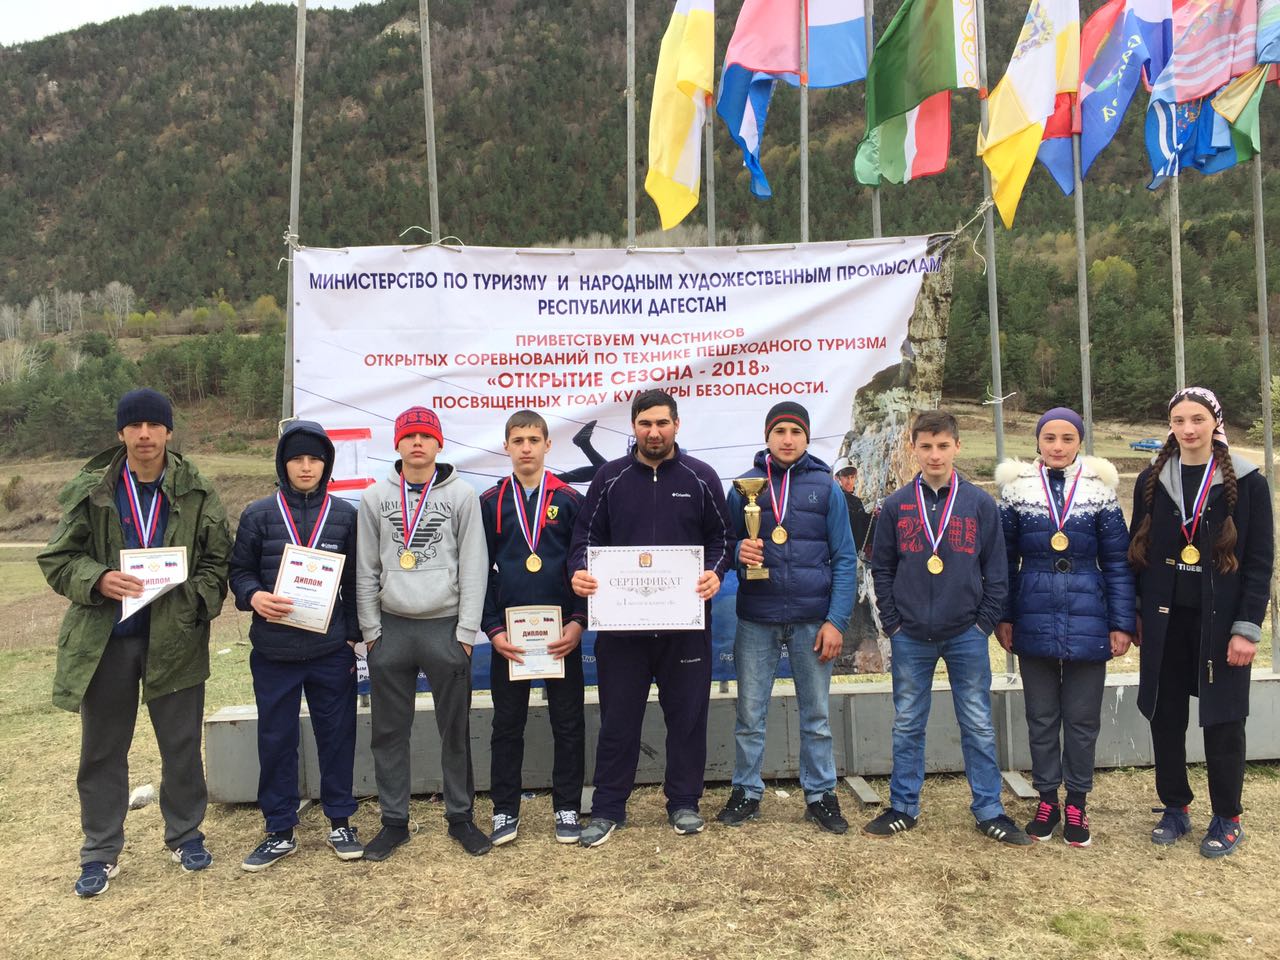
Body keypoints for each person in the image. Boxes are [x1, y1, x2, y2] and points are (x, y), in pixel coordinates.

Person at [39, 388, 232, 897]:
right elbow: (58, 560)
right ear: (121, 432)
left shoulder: (197, 490)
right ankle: (100, 851)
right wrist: (99, 578)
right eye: (134, 425)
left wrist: (191, 602)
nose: (144, 434)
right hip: (108, 640)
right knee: (102, 750)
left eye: (154, 425)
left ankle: (185, 835)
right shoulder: (94, 489)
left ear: (168, 431)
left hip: (175, 639)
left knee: (181, 745)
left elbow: (219, 562)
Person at [569, 389, 733, 847]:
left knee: (688, 718)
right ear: (634, 427)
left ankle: (684, 802)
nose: (654, 432)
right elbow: (584, 539)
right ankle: (607, 808)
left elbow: (722, 539)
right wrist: (580, 572)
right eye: (645, 424)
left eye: (662, 423)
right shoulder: (609, 477)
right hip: (622, 629)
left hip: (686, 626)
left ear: (676, 425)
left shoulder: (701, 477)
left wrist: (715, 573)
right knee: (618, 720)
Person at [867, 410, 1030, 845]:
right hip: (910, 636)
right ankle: (903, 806)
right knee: (907, 723)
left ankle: (989, 809)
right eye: (926, 446)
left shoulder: (979, 503)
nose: (934, 455)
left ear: (957, 446)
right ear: (913, 449)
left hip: (965, 634)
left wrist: (982, 624)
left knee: (977, 722)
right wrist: (893, 623)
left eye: (943, 446)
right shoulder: (896, 505)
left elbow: (997, 570)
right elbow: (882, 568)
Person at [1128, 387, 1272, 858]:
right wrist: (1136, 613)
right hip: (1165, 622)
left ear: (1215, 422)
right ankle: (1175, 807)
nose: (1188, 429)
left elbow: (1259, 562)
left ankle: (1227, 816)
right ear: (1170, 426)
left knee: (1224, 719)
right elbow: (1137, 552)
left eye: (1197, 419)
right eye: (1179, 421)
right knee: (1165, 716)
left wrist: (1247, 627)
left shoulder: (1247, 481)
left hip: (1222, 624)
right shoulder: (1152, 479)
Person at [994, 407, 1135, 847]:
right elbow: (1003, 561)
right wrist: (1004, 616)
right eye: (1050, 438)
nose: (1058, 446)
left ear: (1080, 442)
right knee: (1040, 717)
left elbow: (1117, 562)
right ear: (1037, 441)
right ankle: (1046, 800)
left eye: (1067, 438)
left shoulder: (1099, 489)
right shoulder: (1015, 489)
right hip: (1032, 613)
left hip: (1090, 615)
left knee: (1081, 718)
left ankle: (1077, 802)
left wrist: (1121, 623)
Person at [356, 406, 491, 858]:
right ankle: (394, 821)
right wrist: (371, 631)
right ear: (397, 443)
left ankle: (461, 817)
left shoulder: (462, 495)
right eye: (409, 435)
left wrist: (466, 632)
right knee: (388, 732)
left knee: (454, 729)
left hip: (445, 627)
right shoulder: (375, 497)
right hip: (392, 629)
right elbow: (366, 567)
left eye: (426, 436)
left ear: (438, 444)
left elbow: (474, 565)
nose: (417, 443)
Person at [229, 420, 363, 870]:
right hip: (275, 651)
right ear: (282, 464)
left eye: (314, 459)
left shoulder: (345, 515)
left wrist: (353, 635)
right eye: (297, 459)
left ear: (326, 465)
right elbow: (239, 572)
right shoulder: (258, 514)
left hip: (330, 651)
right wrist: (253, 596)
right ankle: (280, 829)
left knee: (337, 737)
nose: (306, 467)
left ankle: (341, 821)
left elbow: (357, 580)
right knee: (276, 739)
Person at [718, 403, 857, 833]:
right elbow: (724, 546)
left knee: (816, 716)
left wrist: (836, 620)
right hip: (756, 617)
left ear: (807, 437)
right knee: (749, 714)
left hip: (813, 621)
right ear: (767, 436)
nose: (787, 439)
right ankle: (746, 791)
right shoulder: (744, 488)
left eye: (796, 431)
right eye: (779, 430)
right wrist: (739, 553)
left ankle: (821, 795)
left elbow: (845, 557)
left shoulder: (827, 487)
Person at [480, 410, 588, 846]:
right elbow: (479, 572)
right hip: (510, 638)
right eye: (518, 440)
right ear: (506, 446)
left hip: (562, 635)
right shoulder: (490, 501)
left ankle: (567, 806)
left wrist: (578, 621)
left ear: (547, 445)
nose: (526, 448)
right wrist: (492, 629)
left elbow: (583, 566)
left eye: (534, 440)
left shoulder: (570, 499)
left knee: (569, 722)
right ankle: (505, 810)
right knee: (507, 724)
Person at [833, 457, 872, 557]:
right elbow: (852, 521)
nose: (850, 481)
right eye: (846, 478)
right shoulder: (836, 499)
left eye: (852, 477)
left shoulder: (854, 500)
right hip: (846, 553)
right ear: (837, 478)